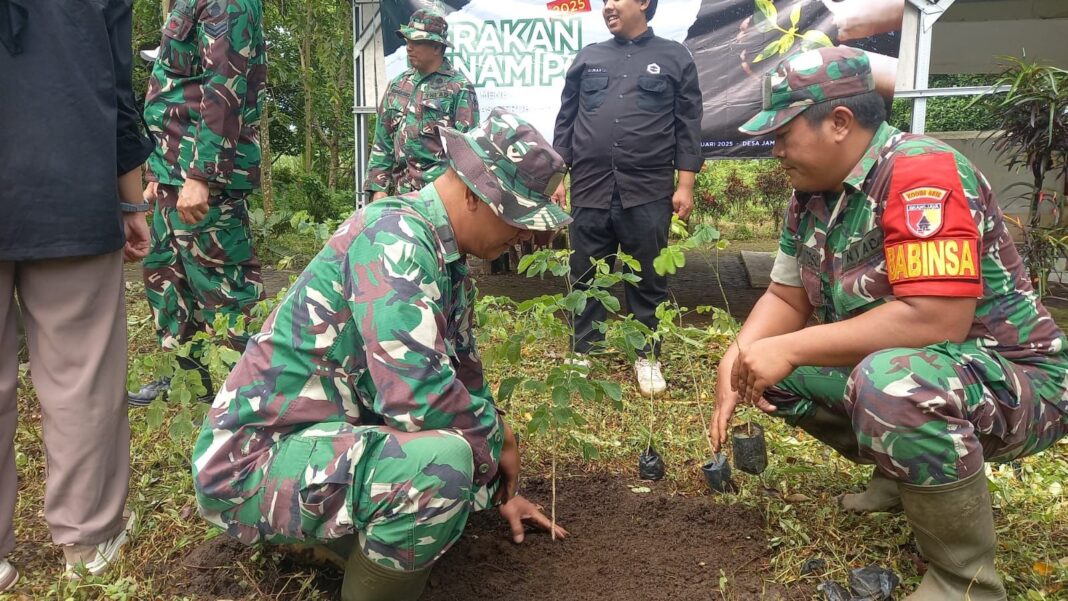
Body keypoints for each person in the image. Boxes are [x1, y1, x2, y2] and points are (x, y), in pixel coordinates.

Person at [711, 47, 1068, 600]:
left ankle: (964, 580)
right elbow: (786, 295)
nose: (773, 149)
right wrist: (739, 356)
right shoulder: (811, 196)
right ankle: (902, 473)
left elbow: (938, 320)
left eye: (782, 133)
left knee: (892, 378)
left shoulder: (921, 171)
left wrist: (792, 346)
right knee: (772, 371)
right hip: (930, 368)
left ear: (839, 122)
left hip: (1016, 380)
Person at [191, 109, 571, 601]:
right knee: (443, 462)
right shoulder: (394, 238)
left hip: (319, 441)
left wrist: (503, 482)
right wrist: (491, 444)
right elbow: (417, 397)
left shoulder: (443, 256)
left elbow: (464, 380)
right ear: (478, 195)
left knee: (463, 453)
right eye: (519, 218)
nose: (525, 236)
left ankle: (341, 545)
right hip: (250, 464)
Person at [0, 0, 154, 587]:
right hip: (71, 185)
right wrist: (131, 200)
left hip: (66, 190)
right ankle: (88, 539)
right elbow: (115, 90)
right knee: (81, 374)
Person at [553, 0, 703, 396]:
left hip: (647, 190)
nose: (608, 6)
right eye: (603, 2)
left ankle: (647, 354)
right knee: (585, 270)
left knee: (648, 276)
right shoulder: (588, 58)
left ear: (643, 3)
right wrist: (557, 176)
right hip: (590, 186)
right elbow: (566, 120)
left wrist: (684, 183)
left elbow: (688, 124)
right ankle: (584, 349)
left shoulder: (674, 57)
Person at [129, 0, 268, 406]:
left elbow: (225, 86)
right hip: (174, 172)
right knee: (169, 281)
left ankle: (256, 392)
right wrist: (158, 173)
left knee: (227, 287)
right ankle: (189, 383)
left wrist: (201, 175)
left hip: (203, 174)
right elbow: (175, 87)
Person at [364, 9, 479, 201]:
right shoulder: (397, 85)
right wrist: (379, 189)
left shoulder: (459, 88)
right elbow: (382, 142)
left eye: (417, 42)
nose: (409, 47)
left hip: (442, 200)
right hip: (402, 196)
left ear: (436, 46)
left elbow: (467, 152)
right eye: (407, 40)